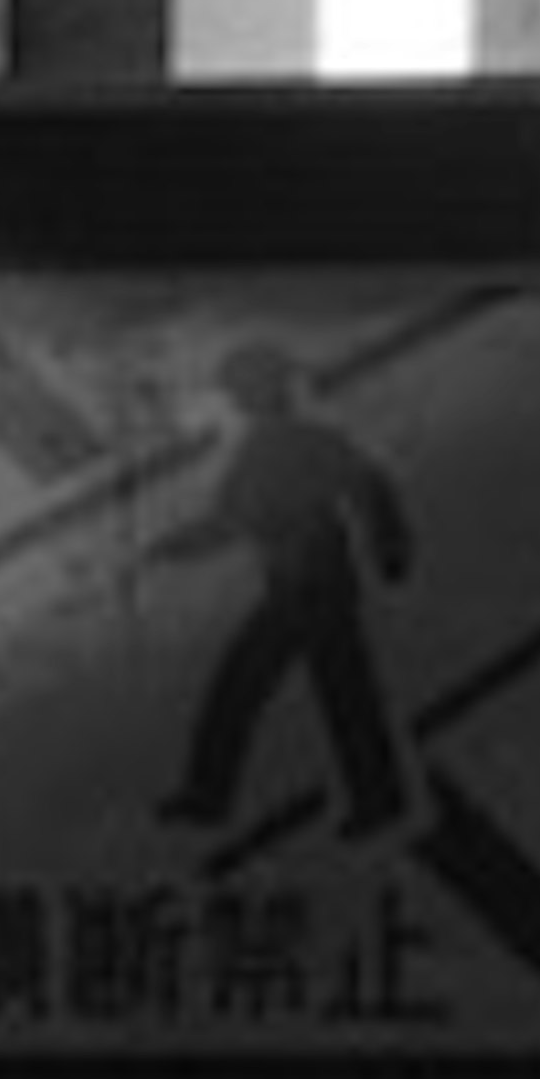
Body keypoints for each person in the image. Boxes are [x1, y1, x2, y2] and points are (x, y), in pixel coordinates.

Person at [152, 338, 419, 848]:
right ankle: (376, 799)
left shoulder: (298, 442)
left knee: (260, 687)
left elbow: (367, 487)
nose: (237, 398)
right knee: (341, 695)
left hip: (313, 585)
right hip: (302, 585)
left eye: (241, 389)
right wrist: (173, 548)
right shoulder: (269, 447)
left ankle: (211, 797)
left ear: (259, 391)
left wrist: (390, 549)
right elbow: (230, 522)